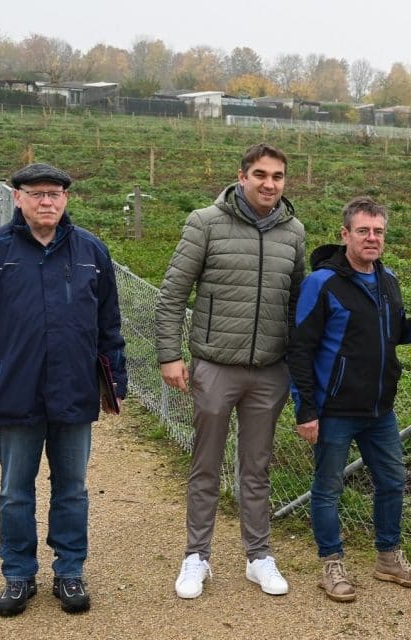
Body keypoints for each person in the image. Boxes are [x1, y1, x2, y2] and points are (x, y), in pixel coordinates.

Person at [0, 163, 127, 617]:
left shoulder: (91, 254)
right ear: (17, 197)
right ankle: (18, 575)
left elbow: (110, 327)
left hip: (74, 394)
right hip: (13, 395)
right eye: (38, 193)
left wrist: (114, 383)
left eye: (56, 193)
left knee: (73, 489)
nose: (48, 202)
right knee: (15, 491)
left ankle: (70, 571)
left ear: (65, 199)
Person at [154, 143, 306, 600]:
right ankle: (196, 557)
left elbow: (300, 304)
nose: (269, 184)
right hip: (215, 367)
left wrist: (301, 368)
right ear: (241, 177)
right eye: (260, 174)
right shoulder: (205, 223)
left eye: (277, 176)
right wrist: (169, 355)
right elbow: (172, 292)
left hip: (269, 372)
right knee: (206, 466)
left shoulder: (293, 231)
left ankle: (258, 556)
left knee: (256, 468)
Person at [289, 196, 411, 602]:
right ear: (345, 234)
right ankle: (332, 564)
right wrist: (306, 409)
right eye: (363, 231)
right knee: (328, 489)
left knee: (393, 482)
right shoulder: (322, 283)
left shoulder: (387, 279)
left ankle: (387, 558)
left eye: (378, 231)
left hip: (380, 410)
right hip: (334, 411)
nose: (372, 238)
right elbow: (300, 349)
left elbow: (397, 334)